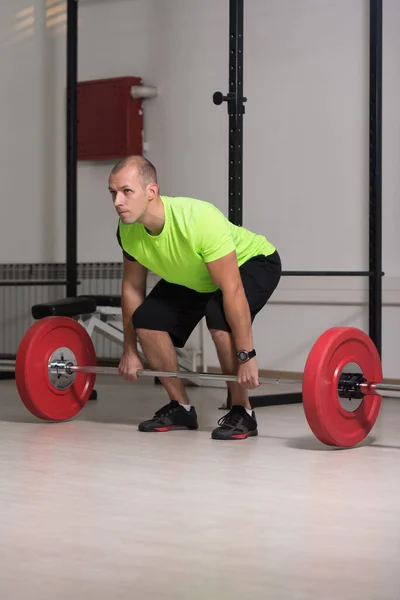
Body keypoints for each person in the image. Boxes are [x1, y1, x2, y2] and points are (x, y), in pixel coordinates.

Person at [109, 155, 281, 440]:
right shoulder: (128, 231)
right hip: (195, 275)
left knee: (219, 315)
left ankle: (242, 412)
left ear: (151, 192)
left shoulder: (198, 219)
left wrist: (247, 354)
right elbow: (132, 289)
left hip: (251, 263)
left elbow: (233, 290)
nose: (117, 201)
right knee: (148, 319)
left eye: (126, 191)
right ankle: (181, 408)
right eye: (113, 192)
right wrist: (130, 349)